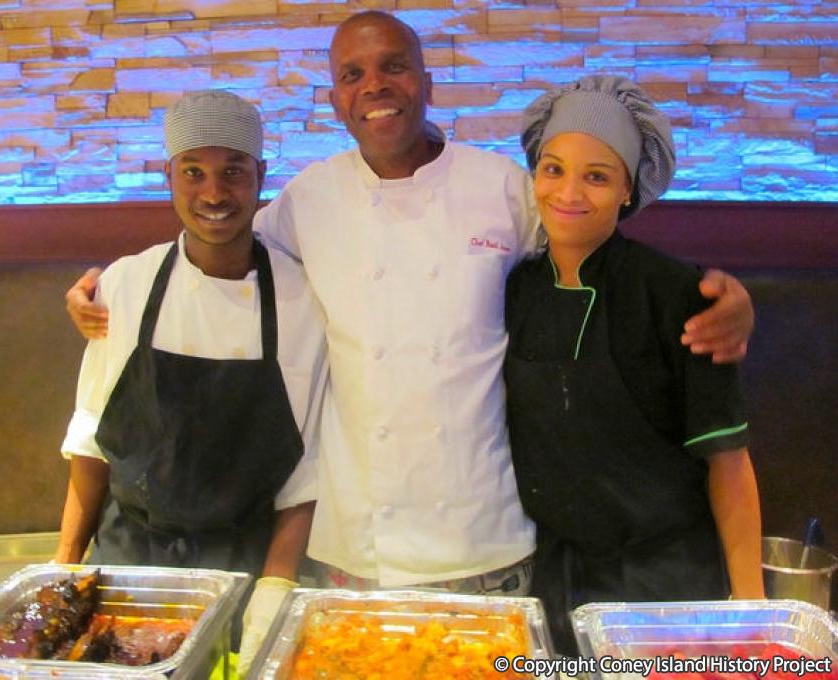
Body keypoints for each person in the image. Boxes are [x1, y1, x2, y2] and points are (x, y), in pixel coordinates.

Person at [64, 8, 755, 660]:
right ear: (335, 100)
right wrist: (109, 287)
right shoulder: (308, 199)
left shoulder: (503, 188)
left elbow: (595, 245)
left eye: (393, 67)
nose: (375, 87)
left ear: (426, 83)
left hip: (487, 543)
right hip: (351, 550)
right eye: (352, 75)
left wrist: (728, 296)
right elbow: (218, 247)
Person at [54, 91, 328, 648]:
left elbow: (307, 473)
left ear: (261, 177)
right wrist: (62, 572)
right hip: (128, 566)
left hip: (245, 569)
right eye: (193, 172)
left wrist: (274, 590)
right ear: (169, 175)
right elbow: (91, 442)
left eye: (232, 172)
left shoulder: (306, 299)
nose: (214, 193)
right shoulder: (124, 285)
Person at [505, 76, 764, 654]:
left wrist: (751, 611)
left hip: (665, 586)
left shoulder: (678, 294)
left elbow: (728, 460)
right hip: (553, 583)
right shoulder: (513, 288)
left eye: (596, 175)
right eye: (553, 169)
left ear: (629, 189)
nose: (568, 191)